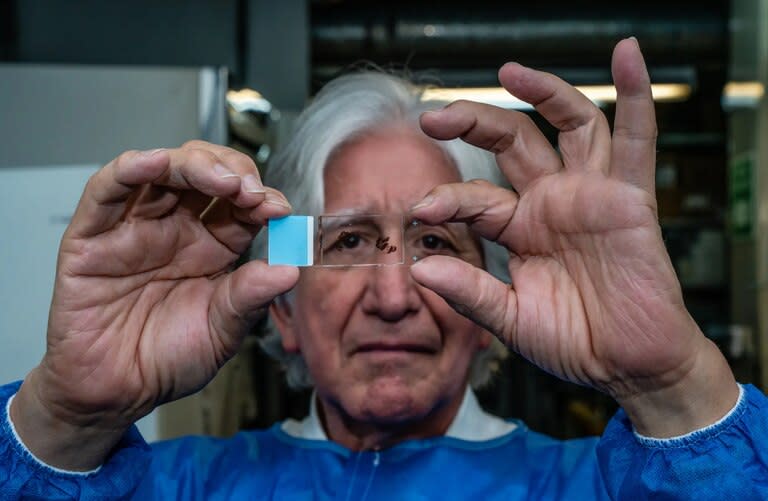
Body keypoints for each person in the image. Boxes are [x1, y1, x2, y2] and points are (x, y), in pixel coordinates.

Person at [1, 38, 766, 500]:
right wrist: (65, 421)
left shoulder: (594, 488)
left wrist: (674, 388)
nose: (394, 294)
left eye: (434, 244)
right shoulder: (175, 488)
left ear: (494, 313)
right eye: (348, 242)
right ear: (281, 307)